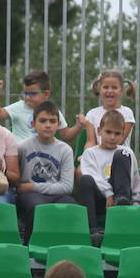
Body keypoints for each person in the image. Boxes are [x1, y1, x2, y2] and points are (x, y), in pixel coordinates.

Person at [15, 100, 83, 242]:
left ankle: (67, 248)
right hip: (31, 195)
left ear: (58, 125)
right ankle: (30, 247)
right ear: (33, 124)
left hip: (52, 193)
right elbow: (18, 182)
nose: (48, 125)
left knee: (73, 207)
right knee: (38, 207)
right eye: (43, 121)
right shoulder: (22, 147)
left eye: (52, 121)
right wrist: (28, 188)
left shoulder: (65, 150)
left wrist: (33, 186)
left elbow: (67, 187)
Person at [76, 108, 140, 228]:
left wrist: (136, 202)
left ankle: (122, 207)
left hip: (120, 198)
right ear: (99, 131)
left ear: (122, 135)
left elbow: (135, 179)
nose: (112, 137)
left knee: (121, 154)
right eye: (108, 132)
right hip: (100, 198)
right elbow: (93, 176)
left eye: (117, 134)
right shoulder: (90, 153)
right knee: (85, 180)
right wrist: (108, 193)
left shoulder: (127, 152)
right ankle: (92, 229)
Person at [0, 70, 82, 143]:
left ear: (46, 94)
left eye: (32, 94)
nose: (27, 97)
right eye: (25, 93)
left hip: (42, 156)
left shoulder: (52, 111)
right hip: (18, 155)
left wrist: (78, 126)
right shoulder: (19, 106)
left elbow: (66, 135)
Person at [81, 69, 136, 148]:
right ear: (99, 90)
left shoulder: (127, 113)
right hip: (97, 157)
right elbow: (90, 142)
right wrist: (87, 155)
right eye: (106, 87)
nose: (110, 91)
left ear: (121, 91)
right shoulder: (91, 114)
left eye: (114, 87)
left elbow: (120, 141)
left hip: (120, 157)